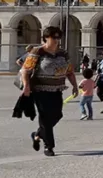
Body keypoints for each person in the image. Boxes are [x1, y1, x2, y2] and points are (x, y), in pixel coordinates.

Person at [19, 26, 78, 156]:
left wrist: (74, 85)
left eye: (58, 37)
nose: (56, 40)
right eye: (54, 37)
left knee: (57, 115)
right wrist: (26, 86)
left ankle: (37, 134)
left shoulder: (63, 53)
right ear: (46, 37)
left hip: (57, 89)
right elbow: (25, 70)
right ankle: (48, 146)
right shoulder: (37, 51)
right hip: (40, 89)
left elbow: (69, 71)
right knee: (45, 117)